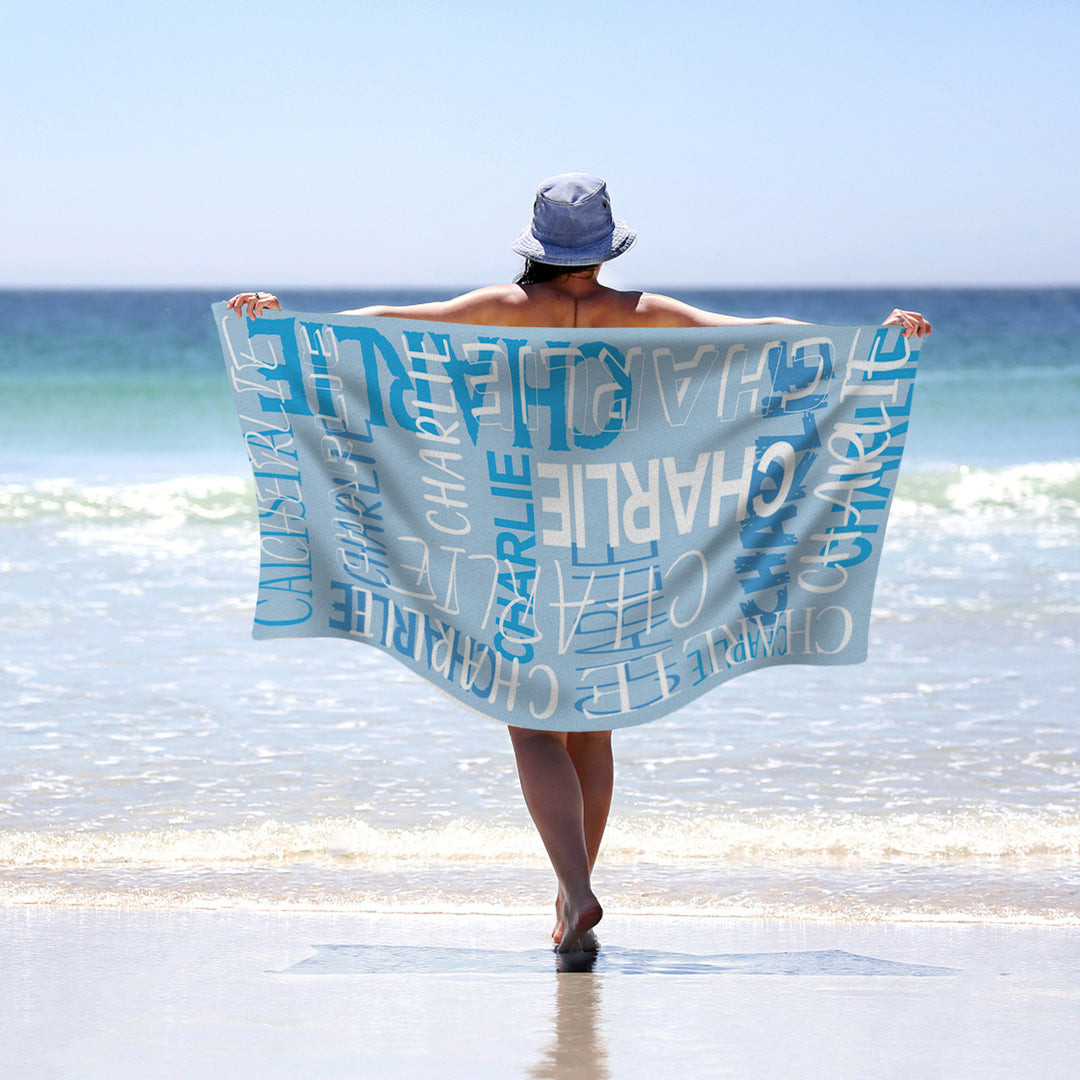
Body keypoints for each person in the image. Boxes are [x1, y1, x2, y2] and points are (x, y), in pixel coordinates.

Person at [227, 173, 931, 953]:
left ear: (536, 243)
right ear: (605, 245)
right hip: (619, 540)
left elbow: (384, 327)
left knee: (533, 727)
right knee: (591, 731)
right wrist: (874, 339)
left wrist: (282, 324)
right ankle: (571, 913)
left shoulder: (500, 307)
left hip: (516, 534)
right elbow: (762, 338)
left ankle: (574, 891)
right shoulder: (642, 314)